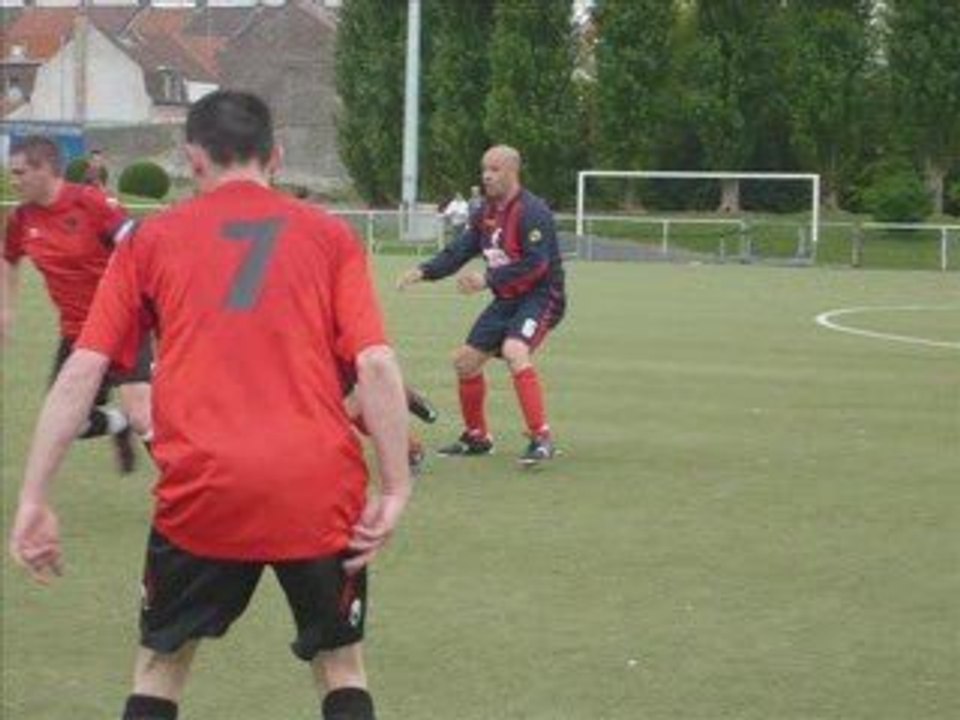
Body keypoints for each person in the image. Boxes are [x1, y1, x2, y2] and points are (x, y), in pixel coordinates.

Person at [9, 91, 412, 720]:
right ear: (276, 156)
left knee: (160, 669)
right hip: (317, 486)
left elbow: (83, 369)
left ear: (192, 160)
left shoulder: (149, 241)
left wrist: (34, 499)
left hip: (204, 488)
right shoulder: (331, 237)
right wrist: (395, 486)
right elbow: (378, 364)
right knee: (340, 666)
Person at [397, 145, 566, 465]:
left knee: (516, 350)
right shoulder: (485, 213)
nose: (487, 175)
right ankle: (477, 437)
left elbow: (537, 264)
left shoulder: (533, 211)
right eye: (484, 169)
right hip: (507, 298)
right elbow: (459, 251)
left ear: (513, 172)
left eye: (495, 169)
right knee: (465, 363)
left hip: (541, 296)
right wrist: (423, 271)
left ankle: (541, 438)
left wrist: (488, 279)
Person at [2, 135, 151, 473]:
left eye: (20, 172)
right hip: (76, 336)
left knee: (144, 416)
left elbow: (139, 246)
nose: (14, 181)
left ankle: (192, 493)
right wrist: (5, 308)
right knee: (66, 423)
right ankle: (118, 423)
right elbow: (7, 258)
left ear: (46, 170)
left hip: (123, 324)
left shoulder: (91, 203)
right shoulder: (22, 219)